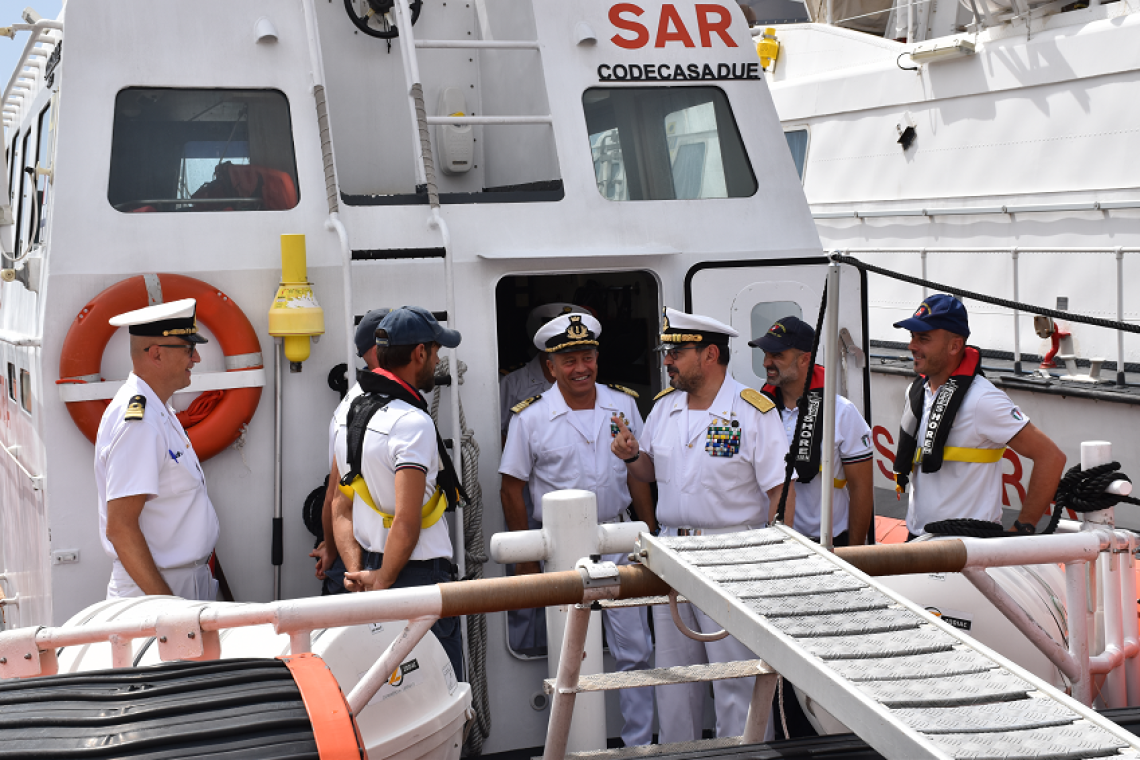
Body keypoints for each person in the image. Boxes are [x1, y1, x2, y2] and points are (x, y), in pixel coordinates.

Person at [611, 307, 793, 743]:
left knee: (735, 678)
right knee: (675, 677)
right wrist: (633, 456)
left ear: (709, 354)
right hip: (673, 553)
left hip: (732, 554)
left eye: (677, 351)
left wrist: (773, 560)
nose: (667, 360)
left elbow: (779, 492)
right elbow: (650, 474)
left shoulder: (752, 410)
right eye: (667, 351)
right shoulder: (664, 408)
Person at [499, 312, 657, 747]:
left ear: (598, 358)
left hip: (621, 539)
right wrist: (527, 564)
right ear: (550, 366)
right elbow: (511, 490)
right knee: (569, 653)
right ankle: (570, 748)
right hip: (561, 550)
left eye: (587, 356)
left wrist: (650, 535)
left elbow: (636, 476)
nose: (580, 367)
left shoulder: (622, 405)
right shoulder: (530, 418)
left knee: (636, 652)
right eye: (568, 360)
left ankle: (638, 746)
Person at [332, 306, 466, 679]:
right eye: (436, 353)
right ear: (419, 353)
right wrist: (385, 582)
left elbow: (339, 504)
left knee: (390, 697)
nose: (437, 362)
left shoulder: (347, 414)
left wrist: (361, 575)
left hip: (368, 575)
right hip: (415, 579)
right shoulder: (412, 422)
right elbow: (406, 522)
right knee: (444, 691)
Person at [892, 294, 1066, 538]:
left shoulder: (982, 400)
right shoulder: (918, 391)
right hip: (921, 538)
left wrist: (1024, 527)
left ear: (954, 345)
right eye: (912, 337)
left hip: (966, 548)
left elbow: (1051, 457)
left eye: (924, 338)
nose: (912, 346)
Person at [94, 298, 219, 600]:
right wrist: (170, 609)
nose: (196, 358)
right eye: (189, 348)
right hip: (156, 592)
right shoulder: (139, 422)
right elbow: (121, 528)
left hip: (182, 580)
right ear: (156, 354)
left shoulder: (158, 411)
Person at [498, 302, 589, 653]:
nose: (578, 365)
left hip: (597, 524)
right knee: (529, 609)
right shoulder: (514, 385)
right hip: (536, 512)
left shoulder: (615, 403)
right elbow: (509, 467)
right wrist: (523, 547)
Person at [753, 316, 874, 545]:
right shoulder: (756, 411)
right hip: (770, 542)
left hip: (828, 542)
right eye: (766, 354)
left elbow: (862, 489)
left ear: (804, 360)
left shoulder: (841, 412)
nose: (766, 362)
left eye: (777, 355)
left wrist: (855, 553)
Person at [310, 308, 389, 595]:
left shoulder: (360, 401)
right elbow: (336, 494)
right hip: (365, 558)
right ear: (380, 349)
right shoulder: (365, 406)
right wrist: (333, 552)